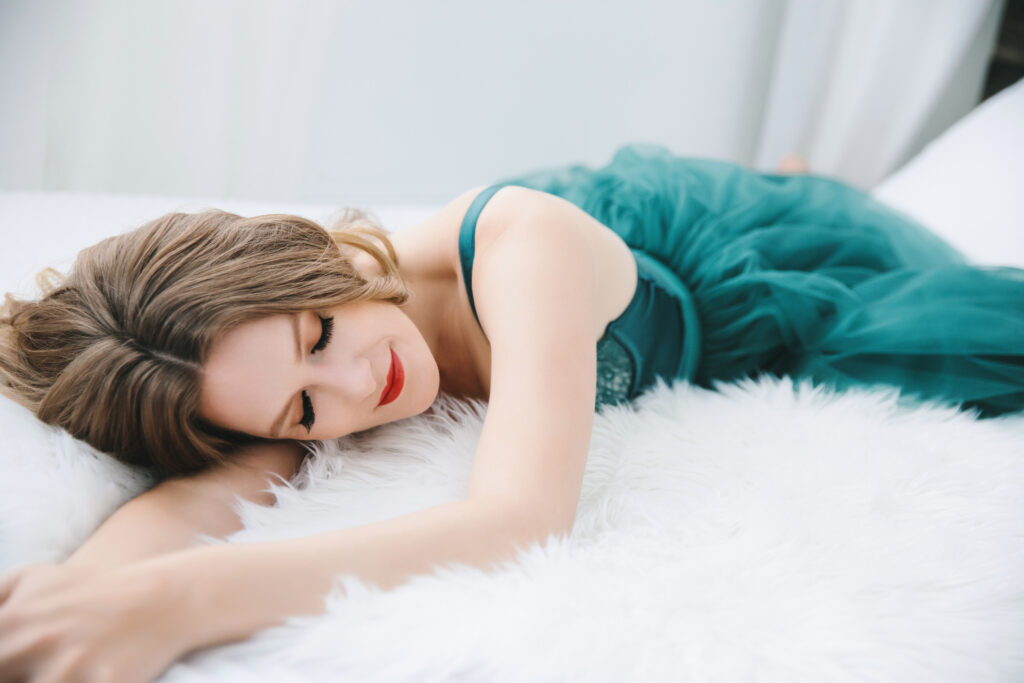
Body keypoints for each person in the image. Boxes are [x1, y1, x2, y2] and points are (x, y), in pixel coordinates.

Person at [0, 143, 1022, 681]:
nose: (359, 388)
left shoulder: (519, 244)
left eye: (320, 332)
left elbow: (520, 518)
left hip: (747, 273)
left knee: (949, 319)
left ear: (321, 263)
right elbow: (205, 497)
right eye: (304, 408)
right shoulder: (297, 391)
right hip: (576, 273)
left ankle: (791, 180)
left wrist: (178, 602)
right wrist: (77, 593)